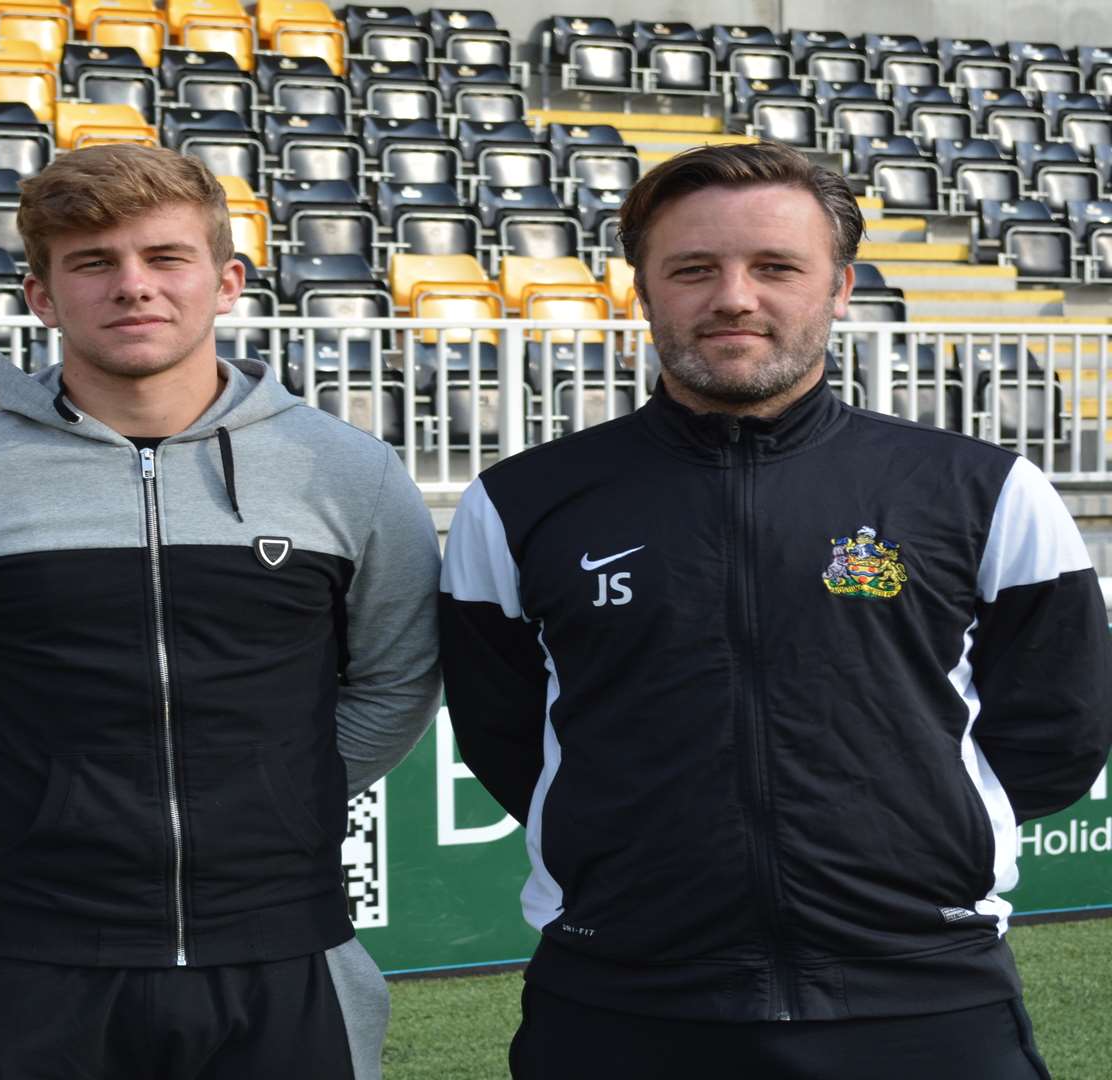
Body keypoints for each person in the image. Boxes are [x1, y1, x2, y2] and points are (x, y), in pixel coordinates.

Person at [440, 139, 1112, 1079]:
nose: (735, 298)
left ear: (839, 288)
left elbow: (1059, 734)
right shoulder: (520, 502)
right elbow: (505, 734)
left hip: (926, 995)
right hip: (619, 998)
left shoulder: (983, 489)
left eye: (776, 267)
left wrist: (907, 840)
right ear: (642, 288)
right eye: (693, 269)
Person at [0, 143, 441, 1079]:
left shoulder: (350, 472)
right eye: (93, 263)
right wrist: (12, 807)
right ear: (42, 295)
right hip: (28, 954)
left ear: (226, 281)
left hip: (286, 944)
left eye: (165, 258)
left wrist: (289, 793)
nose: (134, 287)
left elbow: (399, 676)